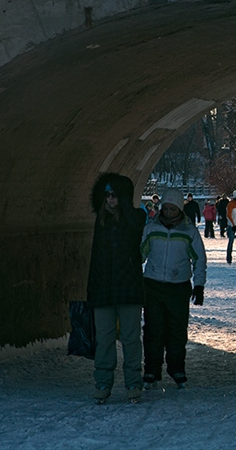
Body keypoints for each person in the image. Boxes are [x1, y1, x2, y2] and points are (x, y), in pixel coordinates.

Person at [87, 173, 147, 404]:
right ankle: (103, 381)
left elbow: (135, 225)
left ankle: (133, 381)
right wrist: (91, 289)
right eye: (107, 195)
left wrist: (124, 207)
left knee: (131, 338)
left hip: (128, 288)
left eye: (115, 195)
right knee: (104, 338)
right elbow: (95, 258)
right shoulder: (101, 221)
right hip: (103, 289)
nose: (110, 200)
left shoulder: (135, 217)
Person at [140, 188, 207, 389]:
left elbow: (199, 259)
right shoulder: (151, 229)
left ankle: (177, 367)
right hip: (153, 284)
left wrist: (199, 285)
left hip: (178, 287)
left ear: (180, 209)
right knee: (153, 329)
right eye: (166, 208)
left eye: (172, 209)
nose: (168, 212)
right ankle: (152, 369)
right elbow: (139, 254)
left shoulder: (189, 232)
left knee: (177, 330)